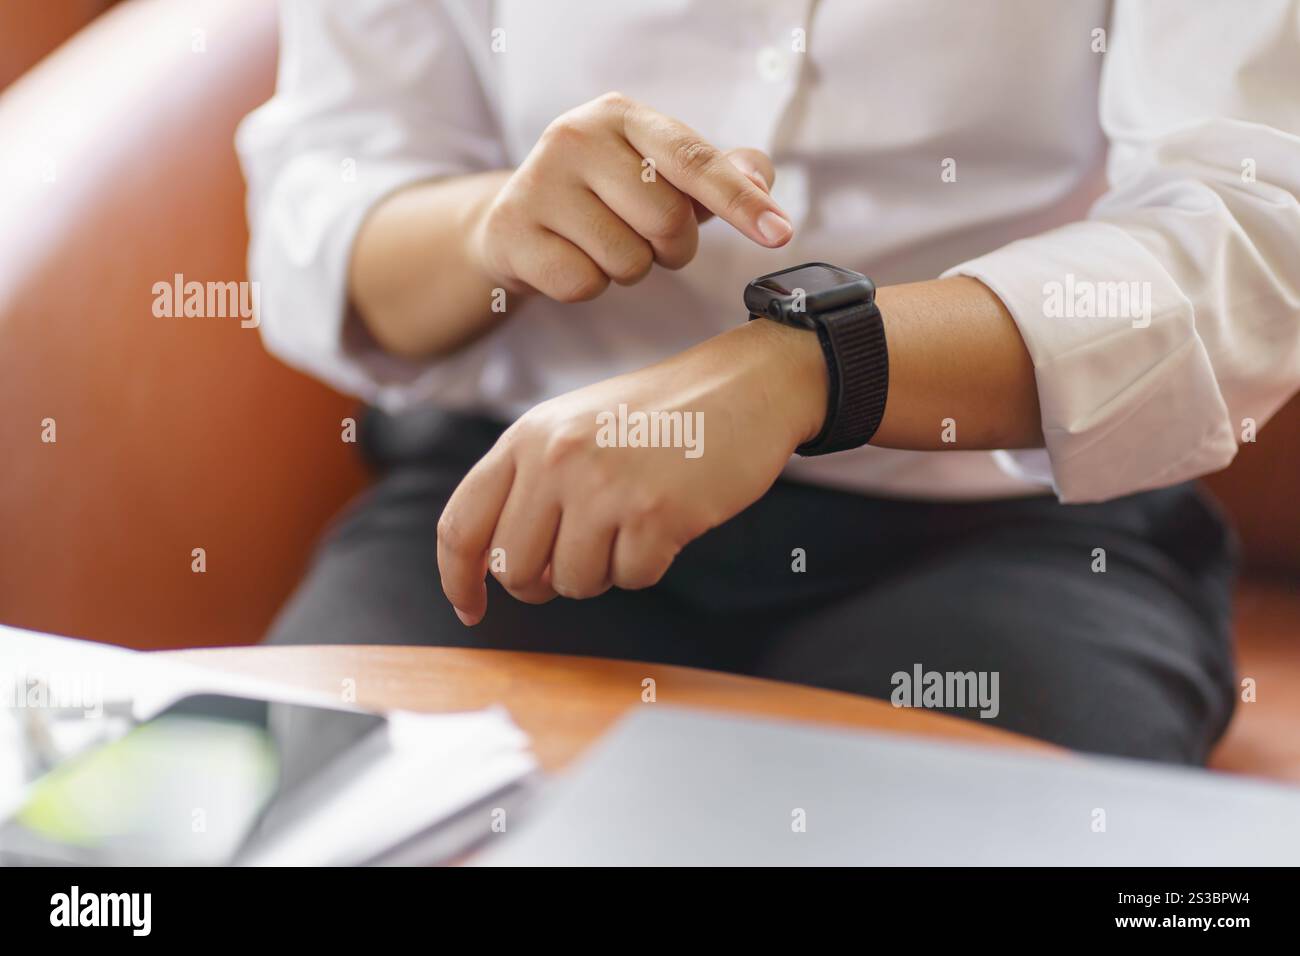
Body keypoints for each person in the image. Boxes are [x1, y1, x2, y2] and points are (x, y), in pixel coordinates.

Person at [236, 0, 1300, 764]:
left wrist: (818, 361)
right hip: (522, 500)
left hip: (1013, 524)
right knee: (331, 818)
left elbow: (1249, 234)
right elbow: (326, 205)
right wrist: (490, 225)